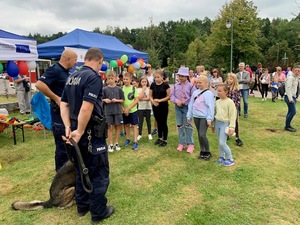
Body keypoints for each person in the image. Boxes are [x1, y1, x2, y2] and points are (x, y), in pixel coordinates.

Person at [60, 48, 114, 224]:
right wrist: (81, 131)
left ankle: (82, 206)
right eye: (101, 64)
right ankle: (98, 212)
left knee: (80, 170)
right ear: (99, 60)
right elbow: (86, 107)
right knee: (98, 172)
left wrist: (68, 127)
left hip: (74, 132)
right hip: (88, 133)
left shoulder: (72, 76)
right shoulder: (93, 77)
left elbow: (64, 104)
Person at [35, 48, 78, 172]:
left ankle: (70, 172)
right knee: (62, 149)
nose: (75, 63)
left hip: (67, 115)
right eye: (75, 60)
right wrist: (56, 98)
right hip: (58, 116)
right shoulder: (55, 70)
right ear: (68, 59)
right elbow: (39, 84)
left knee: (69, 146)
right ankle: (60, 176)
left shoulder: (65, 72)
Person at [187, 75, 214, 160]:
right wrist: (189, 115)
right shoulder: (195, 92)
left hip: (204, 117)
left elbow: (211, 107)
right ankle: (202, 151)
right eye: (197, 82)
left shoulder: (209, 94)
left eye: (200, 82)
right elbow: (191, 104)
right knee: (199, 134)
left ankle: (207, 151)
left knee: (202, 134)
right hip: (196, 116)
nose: (198, 84)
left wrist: (209, 118)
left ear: (206, 83)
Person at [170, 67, 196, 153]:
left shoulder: (191, 86)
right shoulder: (175, 86)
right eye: (179, 76)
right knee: (179, 125)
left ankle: (190, 144)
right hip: (178, 107)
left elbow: (193, 97)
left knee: (188, 125)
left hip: (187, 107)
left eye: (183, 76)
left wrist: (184, 102)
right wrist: (177, 101)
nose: (180, 77)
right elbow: (172, 96)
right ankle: (181, 142)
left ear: (186, 76)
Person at [213, 84, 237, 166]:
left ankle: (230, 158)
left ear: (226, 92)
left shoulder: (230, 102)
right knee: (219, 142)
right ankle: (222, 157)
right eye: (217, 91)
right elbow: (215, 113)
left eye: (220, 91)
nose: (218, 92)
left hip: (225, 124)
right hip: (217, 123)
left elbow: (233, 115)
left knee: (222, 142)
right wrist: (213, 125)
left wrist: (232, 127)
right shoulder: (217, 102)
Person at [102, 71, 124, 152]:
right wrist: (105, 100)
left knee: (117, 126)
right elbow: (100, 99)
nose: (110, 80)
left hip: (117, 110)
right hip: (108, 111)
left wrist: (117, 100)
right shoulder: (104, 89)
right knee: (109, 127)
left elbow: (122, 100)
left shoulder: (119, 89)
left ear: (115, 78)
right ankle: (110, 144)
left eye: (112, 78)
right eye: (109, 78)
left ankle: (116, 142)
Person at [149, 69, 170, 147]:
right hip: (155, 106)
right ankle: (159, 137)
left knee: (163, 122)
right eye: (155, 77)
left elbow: (168, 96)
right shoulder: (153, 85)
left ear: (162, 77)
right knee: (158, 122)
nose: (156, 79)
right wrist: (153, 101)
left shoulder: (166, 85)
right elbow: (150, 95)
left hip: (163, 106)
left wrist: (160, 100)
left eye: (158, 77)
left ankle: (165, 139)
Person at [122, 72, 139, 150]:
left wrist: (128, 108)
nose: (125, 80)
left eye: (127, 79)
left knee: (134, 126)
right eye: (124, 79)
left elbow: (136, 100)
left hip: (133, 110)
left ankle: (135, 141)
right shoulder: (121, 88)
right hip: (124, 111)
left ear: (131, 80)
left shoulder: (133, 88)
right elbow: (120, 101)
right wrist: (124, 109)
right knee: (126, 125)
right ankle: (128, 139)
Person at [225, 73, 243, 146]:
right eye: (228, 79)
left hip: (233, 108)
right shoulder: (226, 87)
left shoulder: (236, 88)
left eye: (231, 79)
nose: (229, 80)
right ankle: (227, 134)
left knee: (235, 122)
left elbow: (238, 99)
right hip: (226, 108)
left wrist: (235, 107)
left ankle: (237, 137)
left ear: (234, 80)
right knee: (227, 121)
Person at [283, 65, 300, 132]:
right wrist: (290, 98)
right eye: (296, 70)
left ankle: (287, 125)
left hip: (293, 97)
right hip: (289, 97)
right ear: (293, 71)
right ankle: (287, 126)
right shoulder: (291, 78)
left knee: (290, 111)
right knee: (293, 112)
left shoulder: (297, 78)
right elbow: (288, 88)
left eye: (298, 71)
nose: (297, 72)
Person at [137, 76, 152, 141]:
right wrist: (143, 90)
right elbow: (139, 98)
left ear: (147, 82)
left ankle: (149, 134)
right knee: (140, 121)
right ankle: (140, 134)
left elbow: (149, 98)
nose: (144, 83)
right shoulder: (138, 89)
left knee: (148, 121)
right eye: (142, 82)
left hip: (148, 107)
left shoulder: (149, 89)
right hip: (141, 107)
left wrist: (143, 99)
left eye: (145, 82)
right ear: (140, 82)